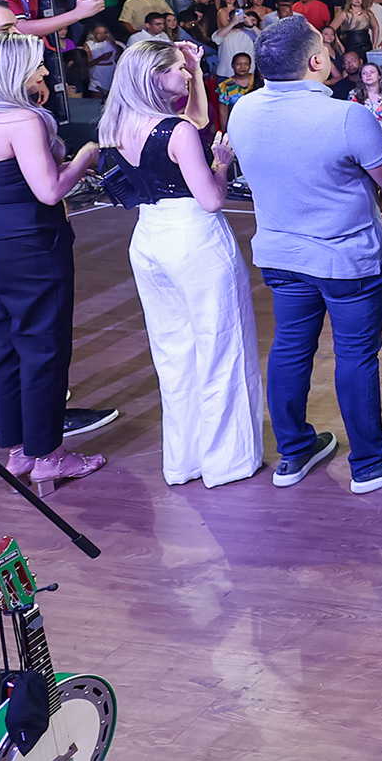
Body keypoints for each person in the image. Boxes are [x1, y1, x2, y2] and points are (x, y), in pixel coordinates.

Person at [230, 16, 382, 493]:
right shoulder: (347, 116)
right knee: (356, 356)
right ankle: (371, 461)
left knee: (289, 349)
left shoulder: (243, 110)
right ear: (316, 61)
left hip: (282, 256)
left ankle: (294, 451)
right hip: (346, 260)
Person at [0, 32, 107, 492]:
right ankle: (49, 456)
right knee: (44, 347)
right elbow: (50, 190)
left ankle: (19, 449)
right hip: (27, 244)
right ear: (15, 71)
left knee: (5, 343)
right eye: (38, 65)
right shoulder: (23, 120)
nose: (45, 72)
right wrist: (86, 155)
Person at [96, 36, 262, 487]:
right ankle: (228, 462)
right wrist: (221, 163)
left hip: (148, 238)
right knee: (222, 347)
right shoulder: (176, 132)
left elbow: (197, 118)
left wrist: (195, 66)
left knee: (173, 353)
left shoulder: (115, 126)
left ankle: (183, 461)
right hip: (194, 238)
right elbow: (211, 199)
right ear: (155, 76)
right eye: (178, 69)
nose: (187, 74)